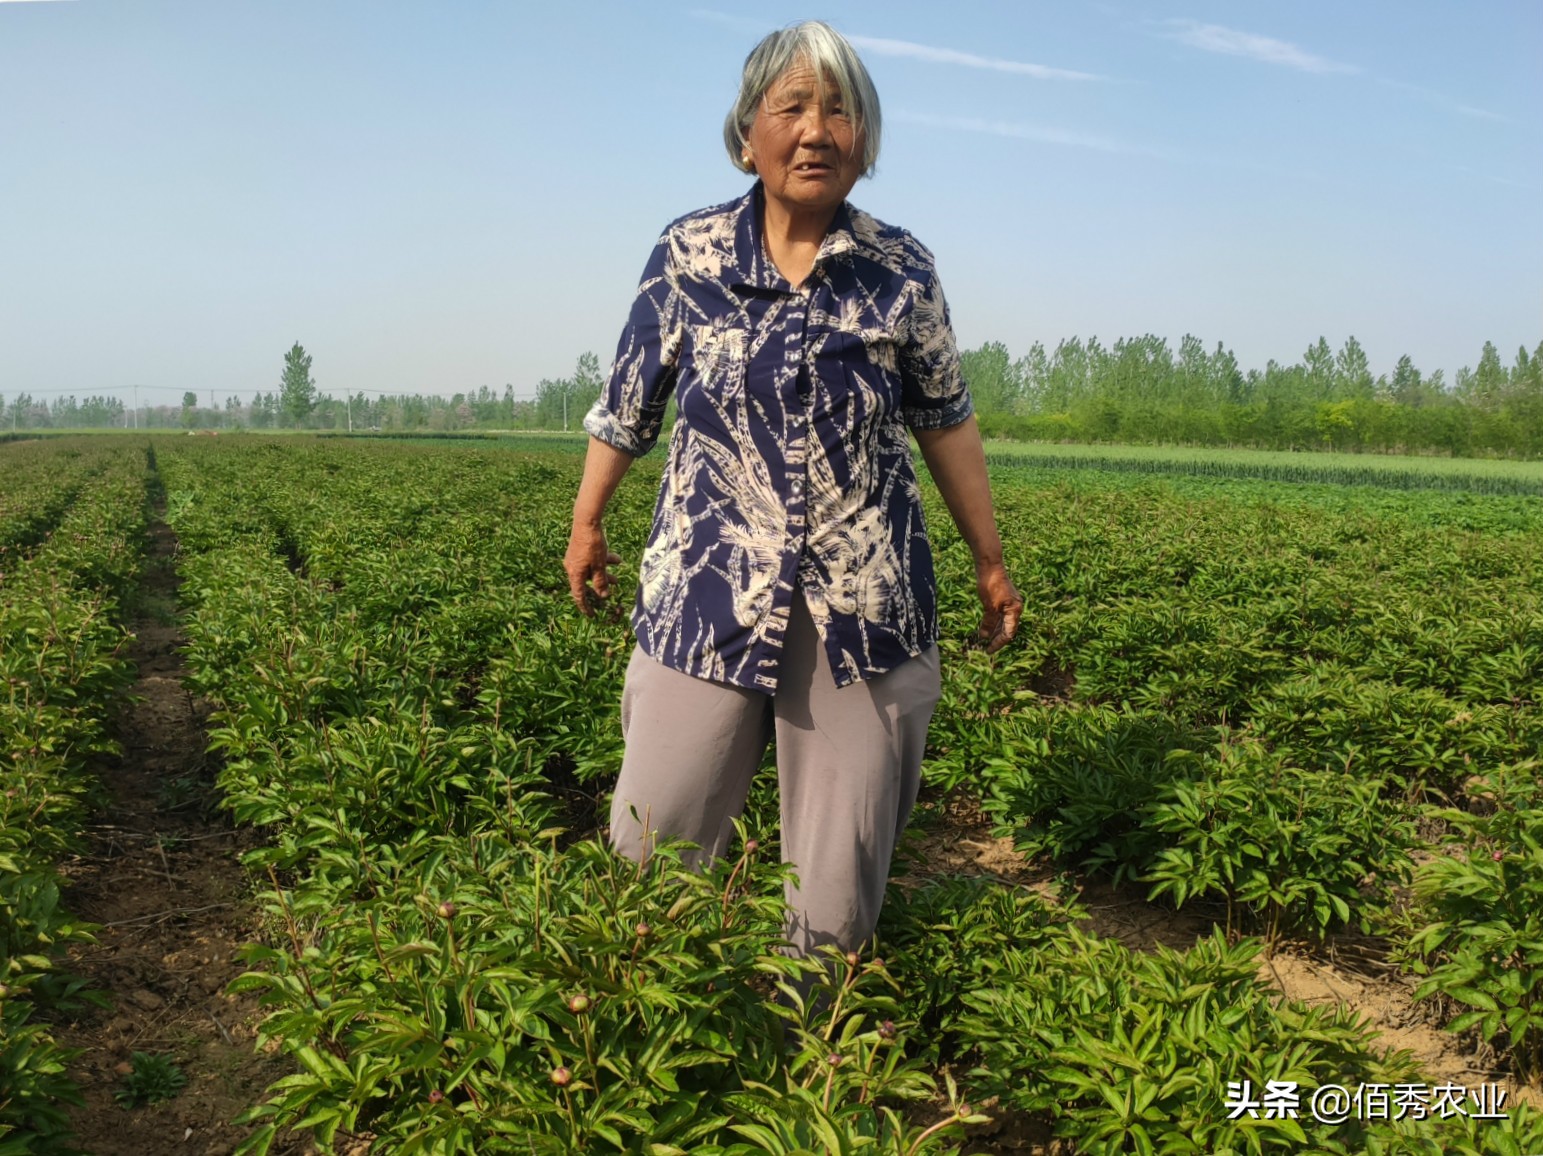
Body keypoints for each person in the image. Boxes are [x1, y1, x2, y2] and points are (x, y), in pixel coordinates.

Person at [564, 19, 1022, 959]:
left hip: (864, 603)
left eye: (840, 111)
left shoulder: (900, 269)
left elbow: (944, 418)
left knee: (835, 885)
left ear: (865, 141)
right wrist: (586, 522)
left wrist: (988, 559)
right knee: (653, 845)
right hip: (707, 590)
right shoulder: (689, 254)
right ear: (748, 135)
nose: (816, 130)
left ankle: (807, 1026)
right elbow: (627, 403)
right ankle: (646, 1018)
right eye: (793, 107)